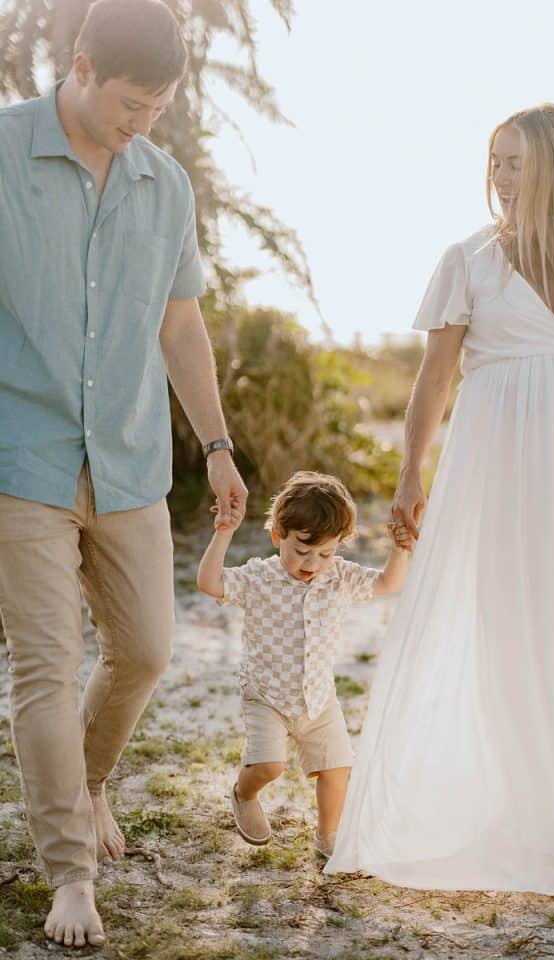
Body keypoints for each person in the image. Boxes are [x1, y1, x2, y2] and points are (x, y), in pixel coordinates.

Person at [325, 104, 554, 893]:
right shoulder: (469, 260)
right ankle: (515, 805)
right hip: (495, 464)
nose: (501, 177)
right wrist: (410, 472)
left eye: (518, 162)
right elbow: (433, 377)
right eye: (496, 161)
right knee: (504, 624)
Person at [0, 0, 247, 947]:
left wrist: (218, 446)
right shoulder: (8, 149)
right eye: (129, 103)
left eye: (157, 108)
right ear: (82, 62)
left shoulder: (165, 183)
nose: (140, 123)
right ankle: (68, 872)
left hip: (134, 456)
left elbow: (180, 327)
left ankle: (88, 784)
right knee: (45, 670)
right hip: (22, 454)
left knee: (144, 650)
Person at [197, 471, 412, 858]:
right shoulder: (260, 576)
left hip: (318, 699)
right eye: (301, 550)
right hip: (267, 695)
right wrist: (224, 532)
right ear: (278, 535)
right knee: (268, 766)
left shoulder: (340, 577)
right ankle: (244, 794)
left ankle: (329, 836)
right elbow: (211, 583)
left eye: (325, 553)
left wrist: (399, 549)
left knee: (337, 770)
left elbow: (387, 585)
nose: (313, 563)